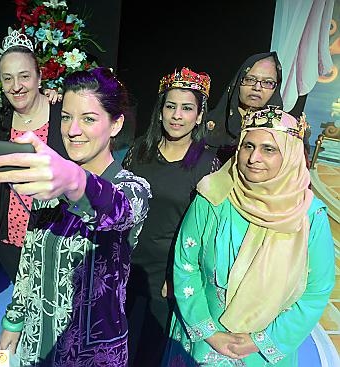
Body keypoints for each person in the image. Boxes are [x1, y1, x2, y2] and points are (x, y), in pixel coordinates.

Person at [0, 67, 151, 366]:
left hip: (93, 354)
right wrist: (13, 320)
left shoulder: (133, 189)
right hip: (37, 343)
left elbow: (116, 211)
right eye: (66, 117)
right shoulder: (48, 185)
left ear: (115, 124)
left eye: (88, 119)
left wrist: (75, 182)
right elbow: (30, 260)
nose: (72, 130)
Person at [163, 106, 335, 366]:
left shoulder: (309, 217)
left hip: (262, 353)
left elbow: (316, 291)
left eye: (269, 149)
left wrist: (261, 341)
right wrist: (207, 331)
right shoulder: (214, 195)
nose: (254, 158)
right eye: (248, 146)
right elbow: (185, 263)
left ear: (290, 154)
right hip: (201, 339)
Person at [122, 67, 220, 366]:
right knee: (113, 341)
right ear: (160, 111)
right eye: (171, 106)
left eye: (187, 108)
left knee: (150, 349)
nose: (177, 115)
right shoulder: (139, 151)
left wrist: (177, 276)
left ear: (200, 116)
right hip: (125, 263)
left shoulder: (207, 165)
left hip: (168, 272)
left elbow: (205, 234)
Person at [0, 30, 68, 285]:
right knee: (23, 300)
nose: (16, 86)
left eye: (24, 76)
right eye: (7, 78)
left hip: (53, 234)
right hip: (8, 235)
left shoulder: (63, 114)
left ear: (40, 77)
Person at [206, 52, 283, 163]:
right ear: (238, 81)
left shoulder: (285, 130)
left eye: (267, 82)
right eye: (250, 79)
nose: (257, 88)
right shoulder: (209, 123)